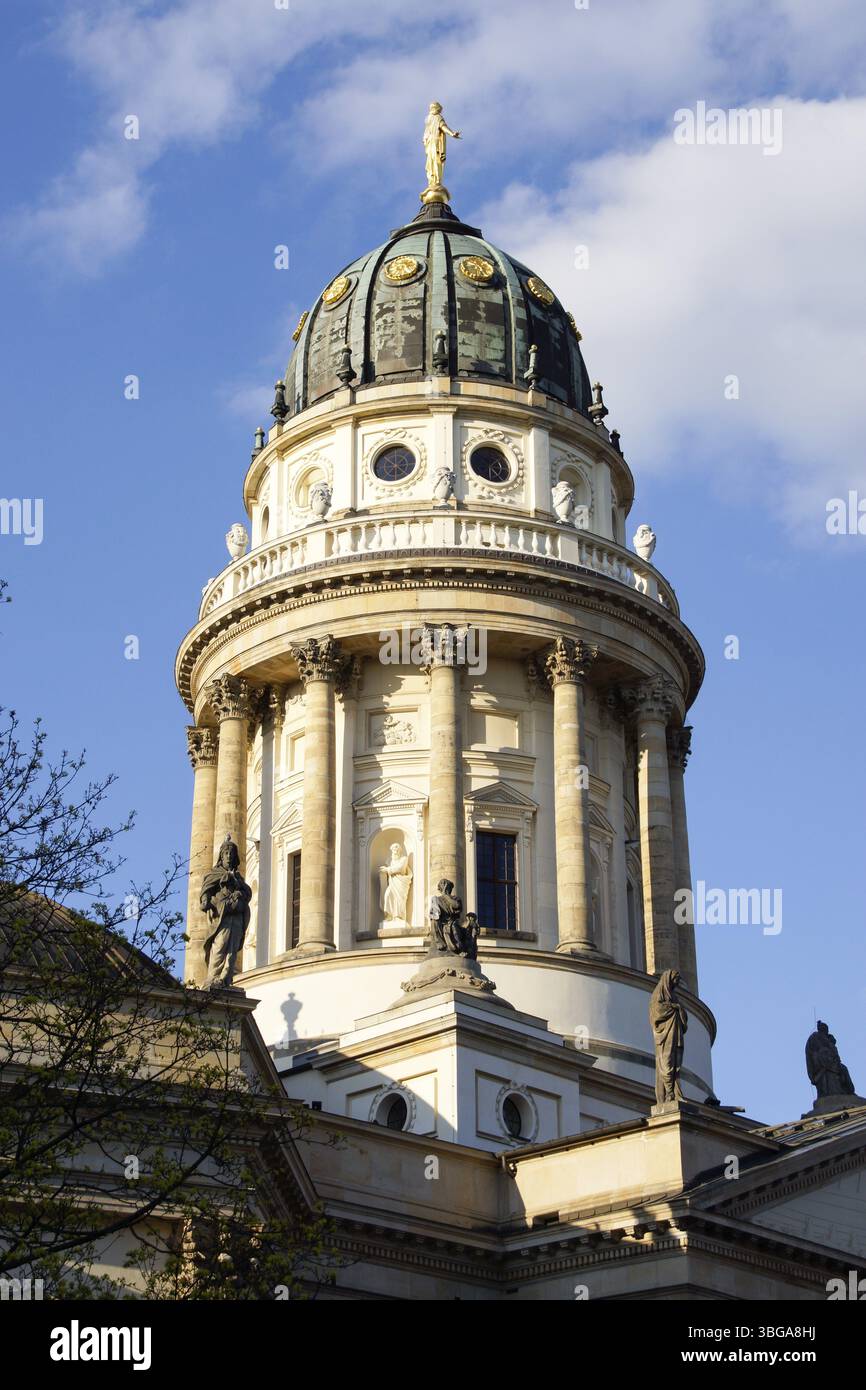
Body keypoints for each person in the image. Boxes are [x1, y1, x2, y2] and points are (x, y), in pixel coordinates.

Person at [199, 836, 252, 990]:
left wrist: (240, 894)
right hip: (222, 914)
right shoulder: (215, 873)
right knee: (220, 944)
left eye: (231, 853)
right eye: (226, 853)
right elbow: (206, 888)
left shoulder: (238, 878)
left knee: (232, 949)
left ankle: (225, 979)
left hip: (236, 916)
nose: (229, 856)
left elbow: (247, 892)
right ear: (221, 856)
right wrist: (205, 901)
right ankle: (213, 977)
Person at [649, 969, 688, 1104]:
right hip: (665, 1037)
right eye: (675, 981)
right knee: (666, 1063)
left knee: (675, 1063)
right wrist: (674, 1008)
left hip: (675, 1034)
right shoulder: (658, 995)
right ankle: (669, 1093)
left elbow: (683, 1015)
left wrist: (678, 1008)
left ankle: (674, 1094)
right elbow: (657, 1013)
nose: (676, 984)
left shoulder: (673, 996)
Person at [428, 879, 462, 952]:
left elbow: (456, 906)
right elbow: (433, 910)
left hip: (451, 921)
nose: (444, 887)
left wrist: (445, 896)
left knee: (453, 927)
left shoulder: (455, 898)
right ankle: (439, 942)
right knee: (434, 921)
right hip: (440, 919)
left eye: (445, 885)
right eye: (442, 884)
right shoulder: (437, 899)